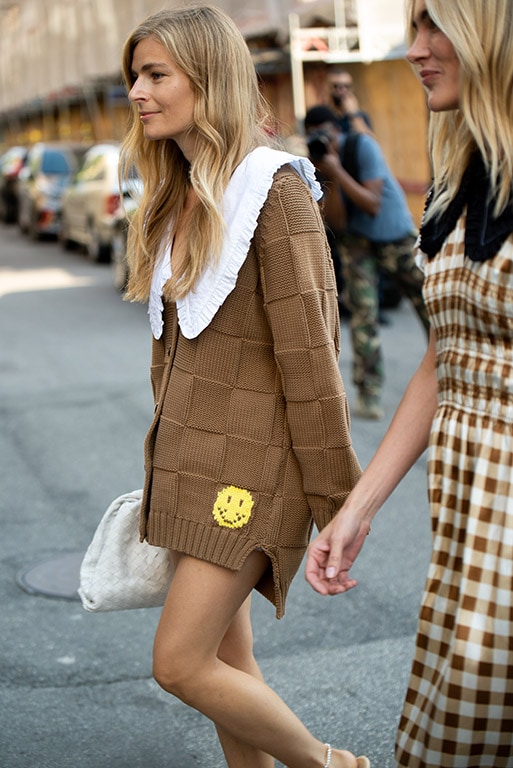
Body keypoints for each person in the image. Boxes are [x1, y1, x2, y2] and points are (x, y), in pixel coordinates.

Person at [119, 6, 369, 768]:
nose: (136, 91)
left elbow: (311, 355)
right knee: (228, 668)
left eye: (155, 74)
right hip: (193, 468)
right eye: (133, 75)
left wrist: (338, 503)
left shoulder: (273, 187)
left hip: (250, 476)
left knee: (180, 664)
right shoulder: (178, 190)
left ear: (209, 77)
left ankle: (331, 765)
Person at [306, 0, 513, 765]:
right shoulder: (463, 170)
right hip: (468, 520)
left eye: (435, 26)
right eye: (412, 26)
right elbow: (443, 357)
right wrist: (356, 509)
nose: (413, 49)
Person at [304, 105, 430, 420]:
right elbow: (338, 223)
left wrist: (338, 172)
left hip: (393, 235)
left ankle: (450, 375)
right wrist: (327, 175)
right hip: (357, 242)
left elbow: (372, 204)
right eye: (315, 134)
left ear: (338, 130)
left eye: (326, 132)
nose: (323, 139)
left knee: (432, 304)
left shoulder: (363, 146)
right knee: (363, 315)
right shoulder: (317, 164)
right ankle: (369, 393)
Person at [326, 69, 373, 136]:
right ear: (328, 88)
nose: (342, 90)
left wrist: (354, 115)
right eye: (336, 86)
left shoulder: (361, 116)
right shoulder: (323, 116)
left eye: (347, 86)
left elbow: (368, 142)